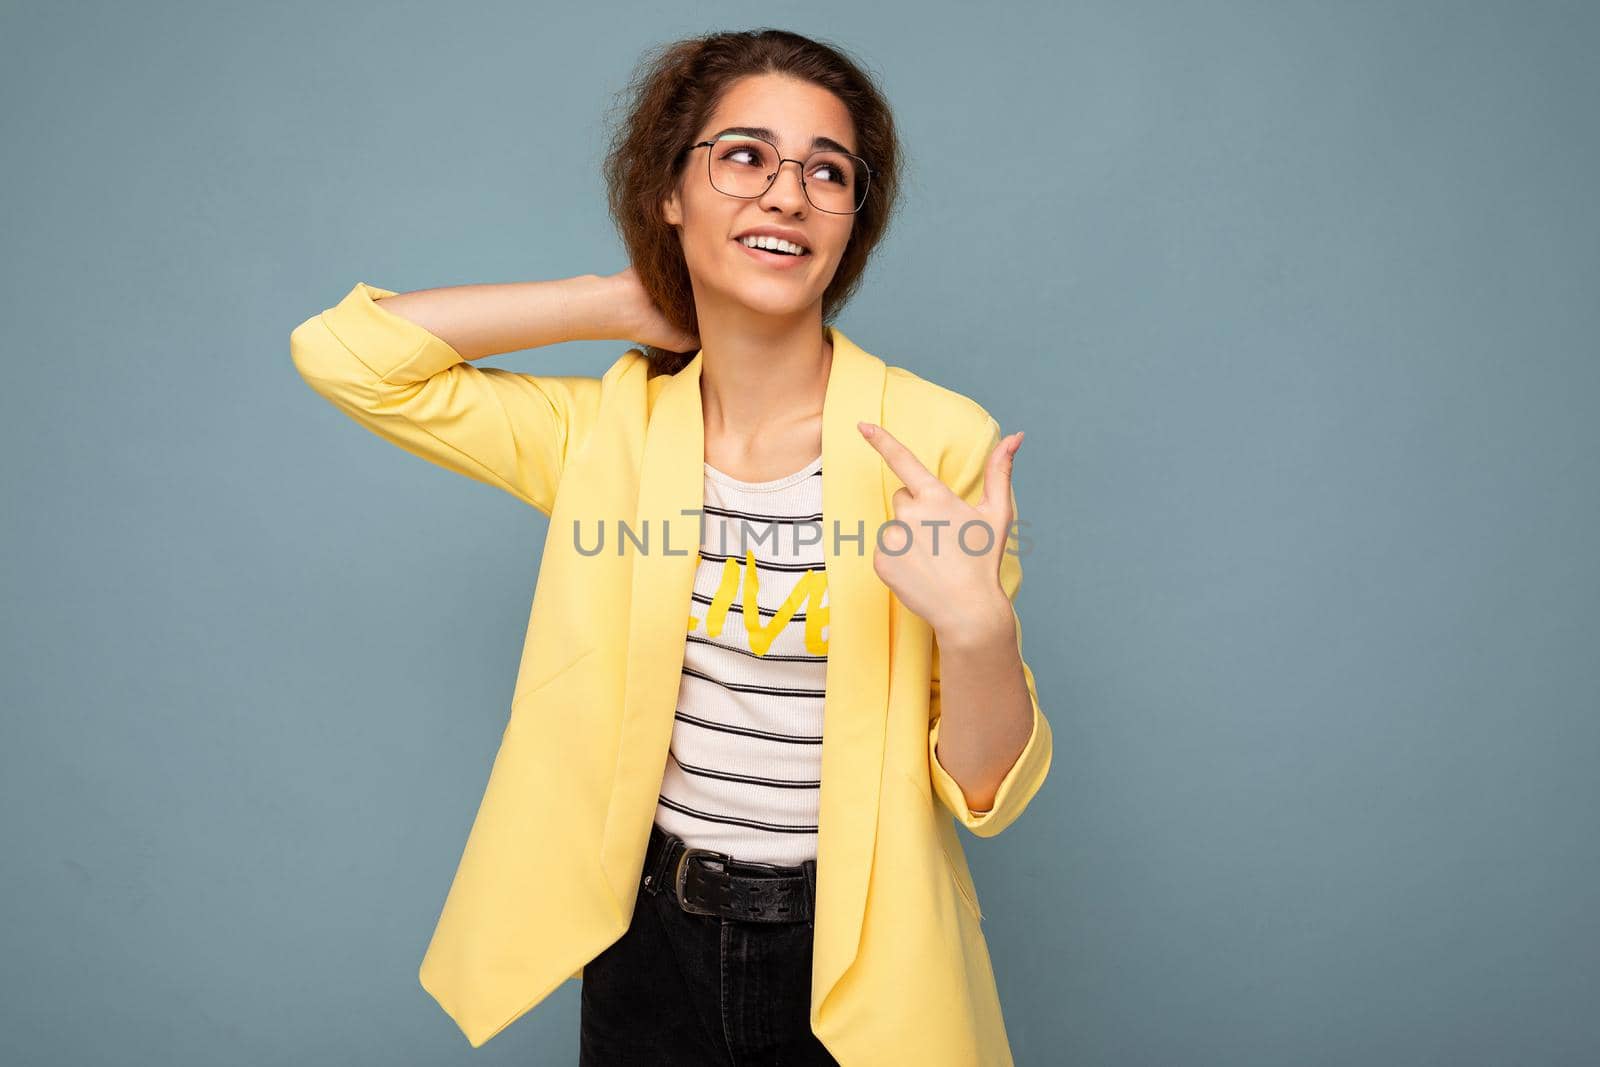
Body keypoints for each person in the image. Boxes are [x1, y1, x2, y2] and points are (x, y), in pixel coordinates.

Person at [289, 27, 1053, 1066]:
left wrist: (973, 626)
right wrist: (613, 298)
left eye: (827, 171)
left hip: (855, 951)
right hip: (647, 938)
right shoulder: (607, 431)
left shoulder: (937, 443)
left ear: (849, 220)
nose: (786, 193)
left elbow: (984, 789)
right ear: (668, 191)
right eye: (743, 156)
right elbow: (348, 356)